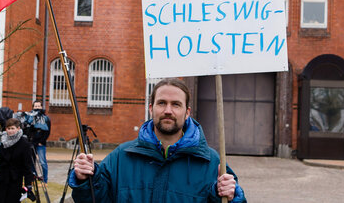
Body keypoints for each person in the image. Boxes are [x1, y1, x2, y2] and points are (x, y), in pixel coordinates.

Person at [69, 78, 246, 203]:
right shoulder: (120, 158)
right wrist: (86, 180)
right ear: (151, 108)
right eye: (162, 103)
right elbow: (94, 199)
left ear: (187, 112)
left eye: (176, 104)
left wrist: (231, 197)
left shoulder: (211, 162)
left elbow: (234, 199)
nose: (168, 110)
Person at [0, 117, 36, 203]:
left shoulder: (24, 144)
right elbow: (2, 158)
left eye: (12, 128)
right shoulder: (4, 141)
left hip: (15, 179)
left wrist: (28, 183)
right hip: (1, 177)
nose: (10, 131)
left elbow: (27, 165)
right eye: (8, 128)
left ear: (18, 129)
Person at [25, 100, 50, 183]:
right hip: (32, 143)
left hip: (40, 143)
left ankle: (45, 180)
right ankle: (33, 178)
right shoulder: (30, 117)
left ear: (41, 107)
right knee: (32, 161)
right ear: (33, 107)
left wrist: (41, 141)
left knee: (43, 162)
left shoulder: (46, 118)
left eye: (38, 106)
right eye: (35, 106)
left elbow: (47, 132)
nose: (37, 108)